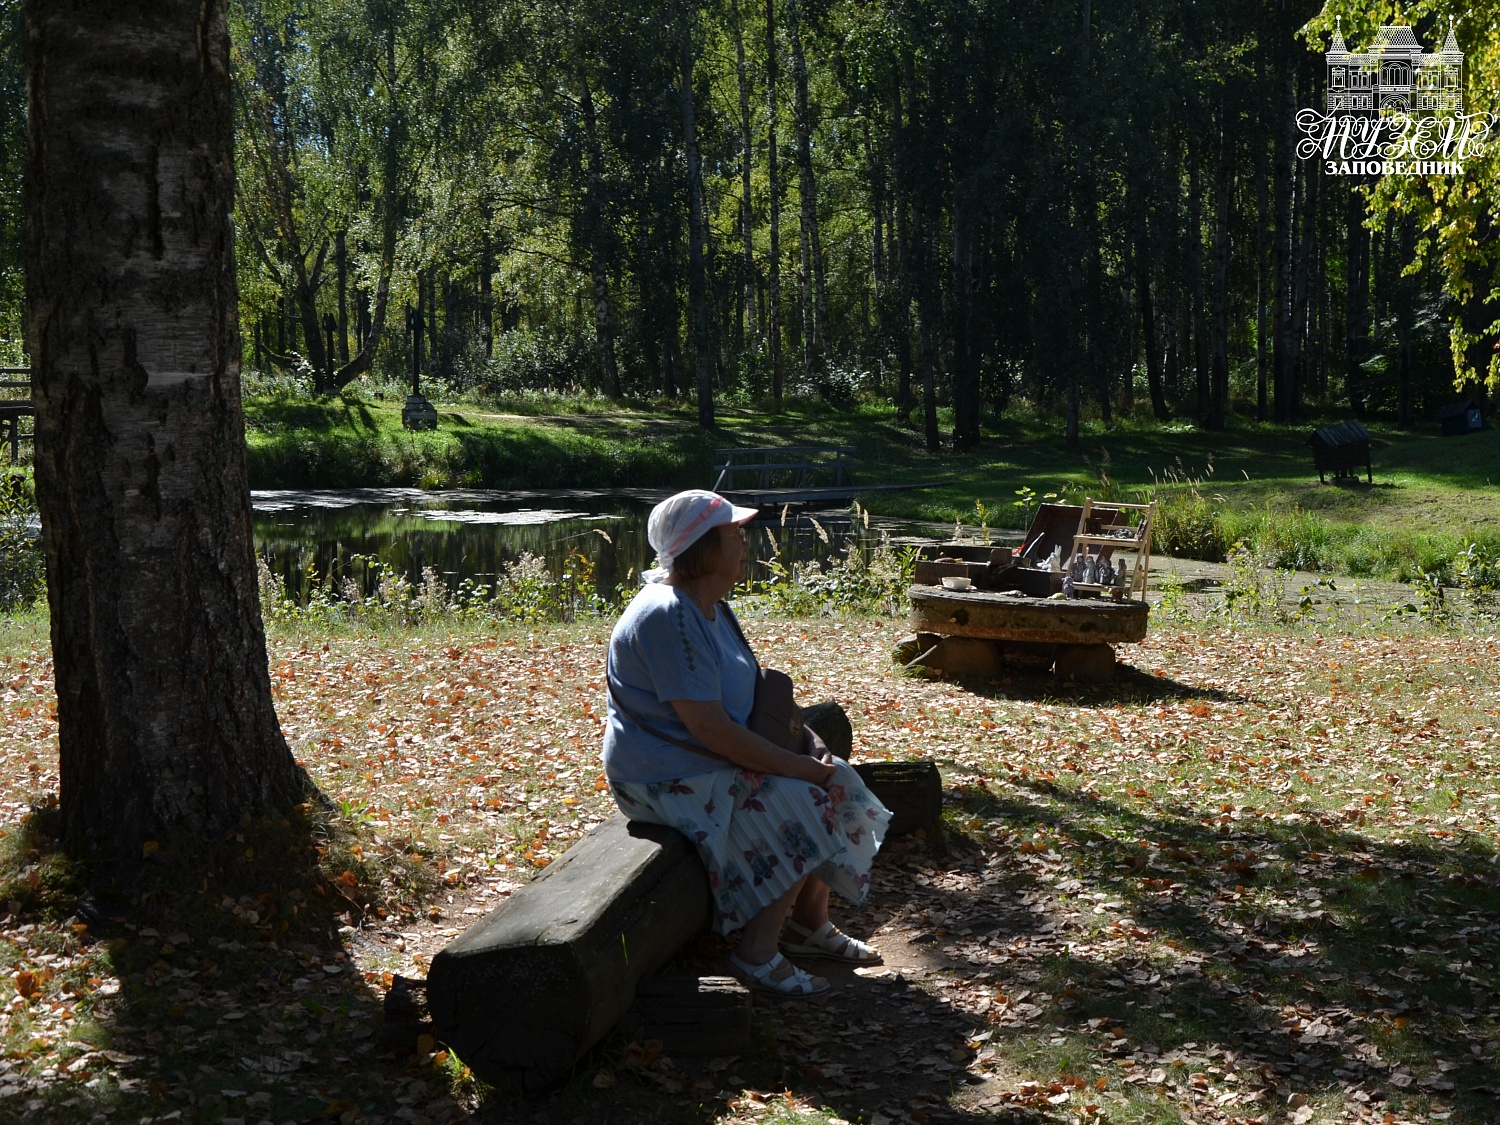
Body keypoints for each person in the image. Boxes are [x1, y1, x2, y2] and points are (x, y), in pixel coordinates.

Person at [603, 489, 892, 997]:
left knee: (837, 778)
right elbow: (710, 730)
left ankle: (807, 925)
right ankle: (756, 954)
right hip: (663, 776)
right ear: (701, 547)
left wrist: (809, 742)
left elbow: (753, 696)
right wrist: (797, 770)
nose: (744, 543)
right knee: (806, 799)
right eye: (733, 534)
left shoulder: (710, 605)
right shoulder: (668, 615)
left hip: (706, 759)